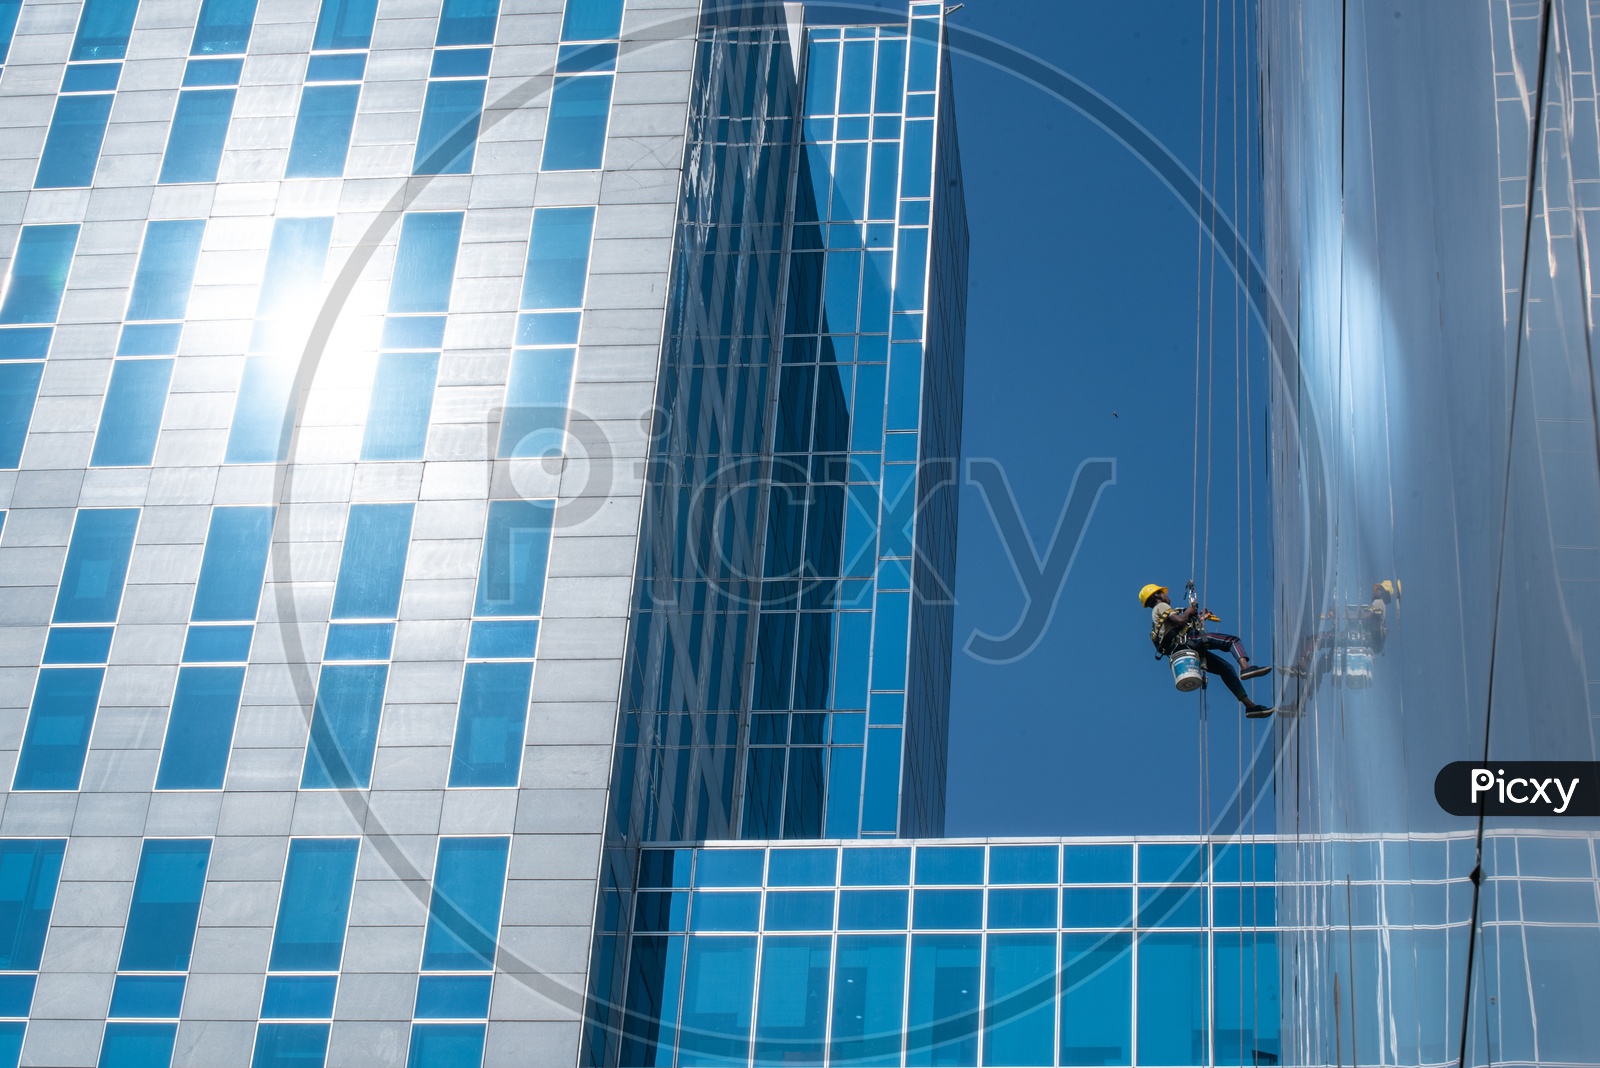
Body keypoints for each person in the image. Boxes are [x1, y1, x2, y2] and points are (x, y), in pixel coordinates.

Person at [1139, 583, 1274, 718]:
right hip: (1189, 642)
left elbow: (1180, 626)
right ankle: (1246, 667)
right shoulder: (1161, 606)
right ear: (1157, 595)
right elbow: (1180, 621)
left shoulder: (1157, 617)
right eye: (1163, 593)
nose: (1167, 596)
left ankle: (1250, 706)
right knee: (1232, 641)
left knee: (1226, 669)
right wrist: (1189, 611)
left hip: (1186, 648)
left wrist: (1200, 619)